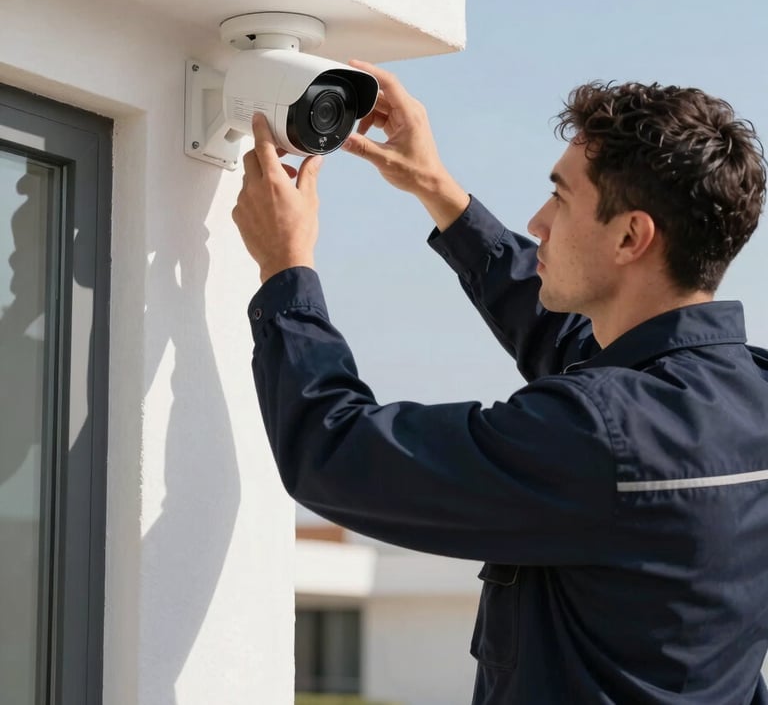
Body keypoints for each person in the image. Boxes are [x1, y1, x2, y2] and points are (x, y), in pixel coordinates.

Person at [232, 62, 768, 705]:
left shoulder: (600, 437)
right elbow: (579, 355)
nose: (538, 221)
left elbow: (337, 453)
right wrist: (437, 190)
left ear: (631, 236)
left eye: (561, 197)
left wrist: (285, 268)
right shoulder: (745, 393)